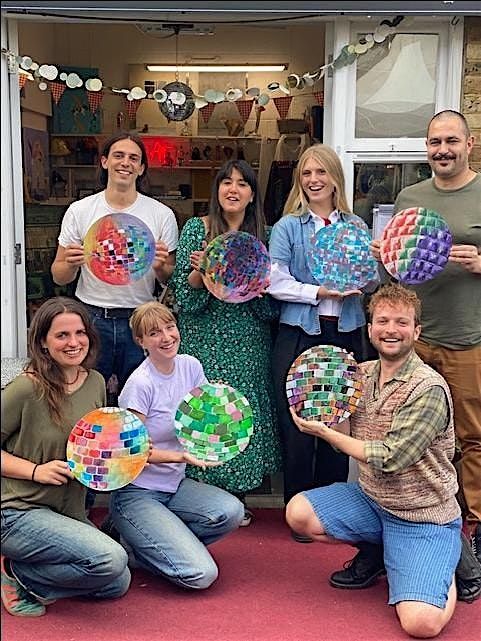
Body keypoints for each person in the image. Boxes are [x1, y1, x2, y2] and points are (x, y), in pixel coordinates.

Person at [286, 284, 462, 638]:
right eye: (382, 321)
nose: (390, 329)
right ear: (370, 329)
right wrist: (325, 414)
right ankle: (382, 551)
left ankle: (445, 566)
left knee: (422, 625)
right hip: (372, 500)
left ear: (416, 331)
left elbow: (392, 458)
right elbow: (345, 434)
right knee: (298, 514)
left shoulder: (427, 388)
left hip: (422, 515)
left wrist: (327, 435)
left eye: (401, 322)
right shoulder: (360, 374)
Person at [368, 110, 481, 599]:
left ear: (469, 144)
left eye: (451, 140)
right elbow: (399, 269)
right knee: (401, 433)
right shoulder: (410, 198)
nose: (443, 150)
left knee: (472, 440)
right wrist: (384, 258)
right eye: (435, 142)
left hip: (468, 338)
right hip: (413, 340)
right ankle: (400, 528)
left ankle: (472, 534)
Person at [268, 143, 377, 539]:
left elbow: (371, 281)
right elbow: (274, 282)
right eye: (306, 173)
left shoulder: (356, 226)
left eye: (321, 172)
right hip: (299, 334)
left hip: (345, 333)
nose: (314, 180)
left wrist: (368, 271)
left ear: (335, 178)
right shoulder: (287, 227)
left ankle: (330, 514)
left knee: (338, 421)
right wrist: (319, 292)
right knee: (298, 425)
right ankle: (298, 513)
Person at [1, 297, 130, 618]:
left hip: (66, 509)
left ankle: (28, 569)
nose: (74, 342)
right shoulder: (26, 388)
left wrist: (132, 453)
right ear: (43, 342)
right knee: (109, 560)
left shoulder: (95, 381)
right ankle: (18, 575)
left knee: (117, 581)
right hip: (17, 510)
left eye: (80, 332)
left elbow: (93, 445)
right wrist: (35, 471)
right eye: (62, 335)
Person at [170, 159, 282, 526]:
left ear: (252, 194)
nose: (233, 189)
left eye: (242, 183)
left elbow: (271, 309)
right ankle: (201, 496)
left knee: (241, 410)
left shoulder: (265, 238)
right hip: (203, 334)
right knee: (206, 409)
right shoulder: (196, 230)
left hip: (247, 337)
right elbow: (184, 298)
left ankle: (238, 495)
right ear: (217, 189)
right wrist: (203, 273)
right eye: (226, 182)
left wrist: (260, 288)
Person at [110, 302, 244, 589]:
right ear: (141, 341)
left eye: (170, 327)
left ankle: (150, 542)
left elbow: (203, 418)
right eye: (154, 333)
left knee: (232, 511)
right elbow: (132, 452)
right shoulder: (140, 384)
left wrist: (222, 406)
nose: (166, 337)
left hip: (175, 485)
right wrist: (181, 456)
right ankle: (135, 545)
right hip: (138, 492)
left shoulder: (190, 365)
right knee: (200, 575)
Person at [51, 132, 179, 393]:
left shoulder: (161, 215)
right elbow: (58, 275)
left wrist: (160, 267)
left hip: (140, 319)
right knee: (86, 394)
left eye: (134, 158)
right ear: (104, 161)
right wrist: (71, 264)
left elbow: (170, 277)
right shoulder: (80, 210)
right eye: (118, 155)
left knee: (140, 396)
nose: (125, 163)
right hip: (91, 317)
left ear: (141, 168)